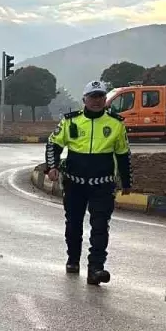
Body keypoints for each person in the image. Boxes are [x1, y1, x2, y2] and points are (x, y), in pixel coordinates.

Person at [45, 80, 132, 286]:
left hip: (102, 185)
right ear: (84, 99)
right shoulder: (70, 122)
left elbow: (123, 154)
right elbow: (53, 144)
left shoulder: (116, 123)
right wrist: (52, 167)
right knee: (73, 224)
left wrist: (127, 182)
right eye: (92, 97)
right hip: (74, 184)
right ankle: (73, 260)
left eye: (100, 96)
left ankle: (96, 268)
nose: (96, 101)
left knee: (100, 225)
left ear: (105, 100)